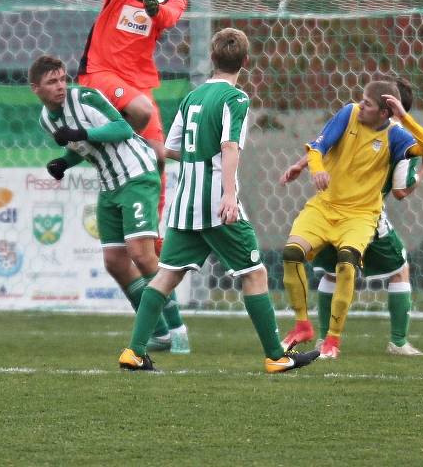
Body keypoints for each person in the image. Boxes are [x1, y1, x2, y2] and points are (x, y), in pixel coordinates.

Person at [118, 28, 320, 373]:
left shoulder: (192, 98)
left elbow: (173, 149)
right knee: (254, 273)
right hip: (216, 203)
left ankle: (134, 351)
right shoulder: (236, 99)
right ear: (245, 61)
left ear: (212, 59)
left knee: (166, 277)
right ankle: (276, 356)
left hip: (185, 205)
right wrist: (228, 193)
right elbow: (229, 146)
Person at [30, 55, 189, 354]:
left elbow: (123, 129)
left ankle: (178, 330)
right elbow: (81, 147)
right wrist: (64, 162)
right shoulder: (45, 119)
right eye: (52, 82)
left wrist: (82, 133)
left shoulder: (86, 97)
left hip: (137, 174)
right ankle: (160, 333)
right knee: (115, 262)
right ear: (35, 88)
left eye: (63, 78)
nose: (61, 86)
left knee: (142, 257)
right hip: (110, 184)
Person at [280, 77, 423, 359]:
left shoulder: (400, 137)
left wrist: (300, 165)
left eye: (370, 102)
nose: (361, 105)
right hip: (347, 212)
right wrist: (305, 164)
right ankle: (396, 341)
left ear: (388, 109)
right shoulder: (352, 114)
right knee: (398, 268)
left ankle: (330, 341)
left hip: (362, 214)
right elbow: (402, 190)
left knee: (339, 267)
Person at [77, 0, 187, 224]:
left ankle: (153, 230)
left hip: (138, 82)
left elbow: (168, 17)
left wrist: (156, 10)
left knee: (159, 157)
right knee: (141, 110)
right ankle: (104, 145)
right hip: (101, 71)